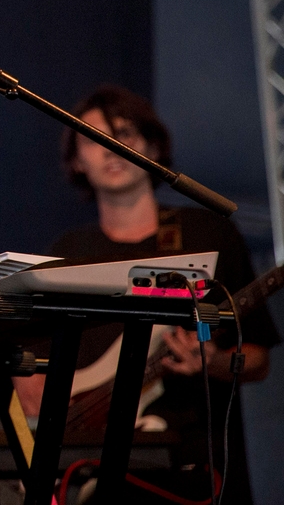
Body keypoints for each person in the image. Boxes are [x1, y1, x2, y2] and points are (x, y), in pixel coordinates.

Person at [14, 85, 279, 505]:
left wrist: (213, 362)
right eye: (93, 138)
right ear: (76, 160)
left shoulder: (207, 235)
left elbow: (259, 358)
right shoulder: (66, 253)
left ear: (153, 147)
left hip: (191, 466)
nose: (110, 149)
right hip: (88, 471)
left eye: (124, 134)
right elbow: (30, 367)